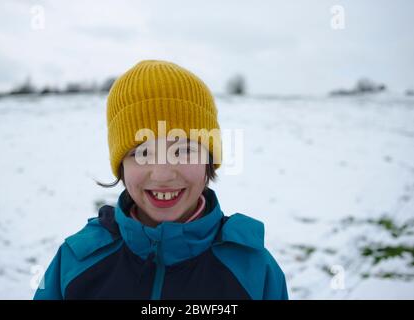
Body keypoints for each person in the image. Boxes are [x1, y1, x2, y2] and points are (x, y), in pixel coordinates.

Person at [33, 60, 288, 300]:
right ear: (120, 164)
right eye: (142, 152)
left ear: (208, 159)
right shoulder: (76, 264)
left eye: (184, 150)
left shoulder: (254, 271)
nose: (163, 174)